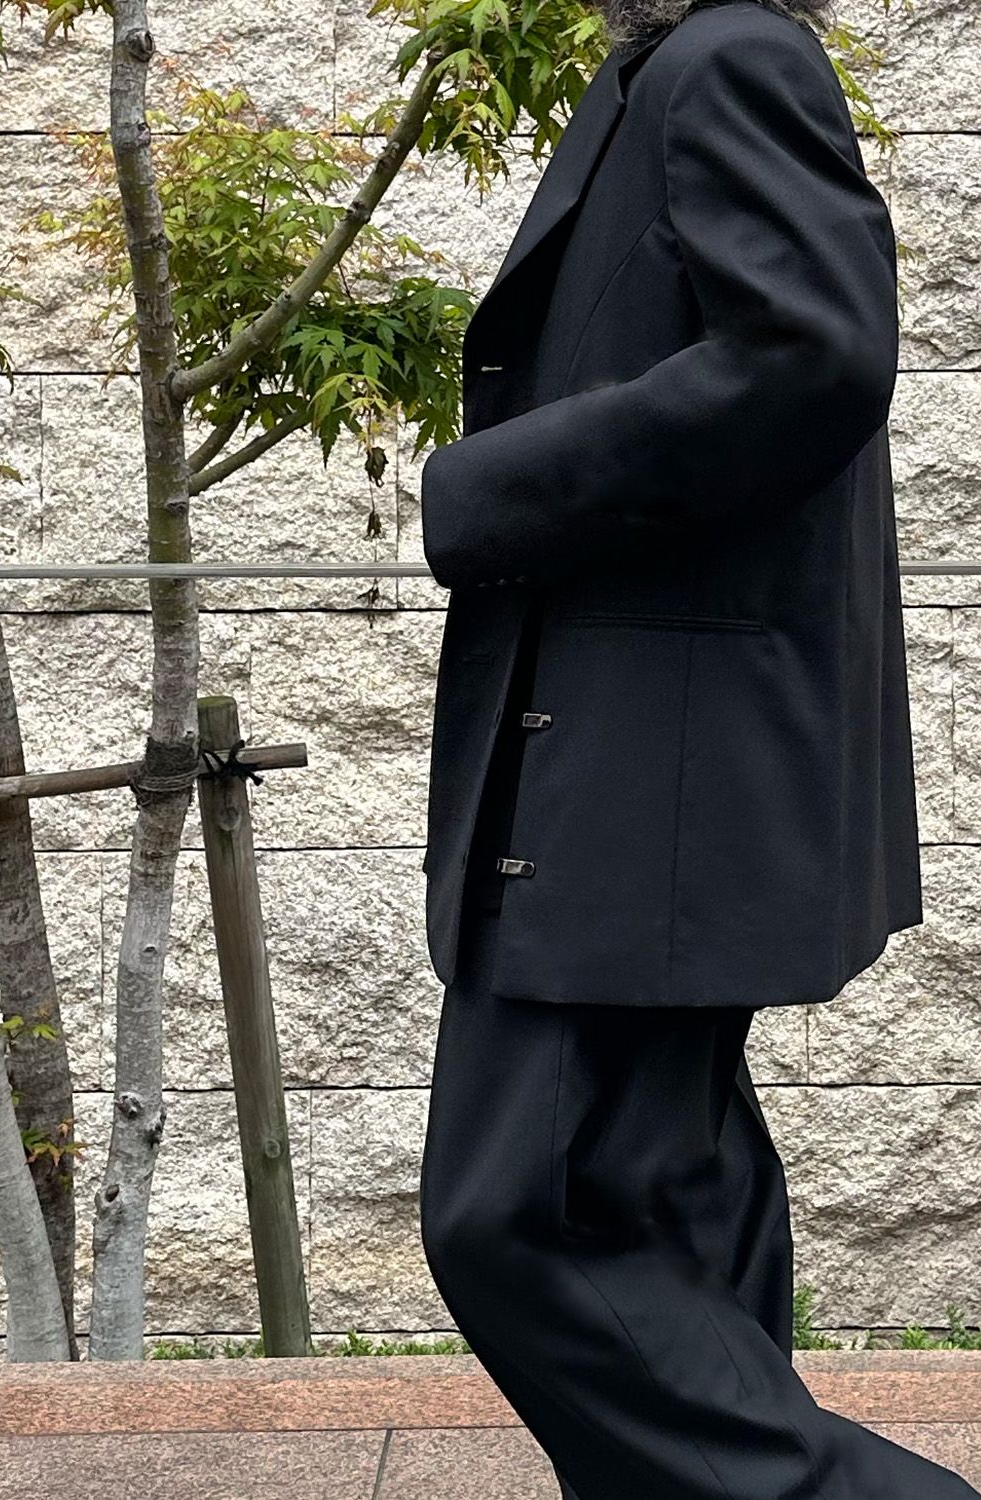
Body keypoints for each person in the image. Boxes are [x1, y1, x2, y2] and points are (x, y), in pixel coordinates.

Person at [416, 0, 977, 1495]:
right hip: (630, 783)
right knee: (670, 1200)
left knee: (519, 1217)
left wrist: (489, 488)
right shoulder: (660, 69)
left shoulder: (734, 57)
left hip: (635, 792)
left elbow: (812, 354)